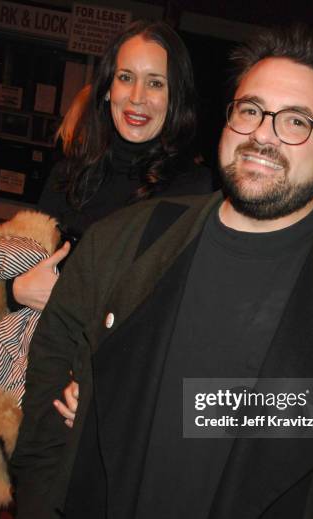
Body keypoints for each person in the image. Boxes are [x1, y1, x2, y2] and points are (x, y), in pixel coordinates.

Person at [3, 24, 313, 519]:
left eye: (297, 121)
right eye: (251, 111)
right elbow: (47, 392)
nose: (264, 135)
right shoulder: (123, 241)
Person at [11, 19, 212, 312]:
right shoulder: (67, 175)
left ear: (175, 98)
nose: (137, 97)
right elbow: (20, 265)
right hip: (43, 350)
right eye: (126, 78)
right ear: (107, 89)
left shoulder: (192, 189)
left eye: (155, 83)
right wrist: (15, 291)